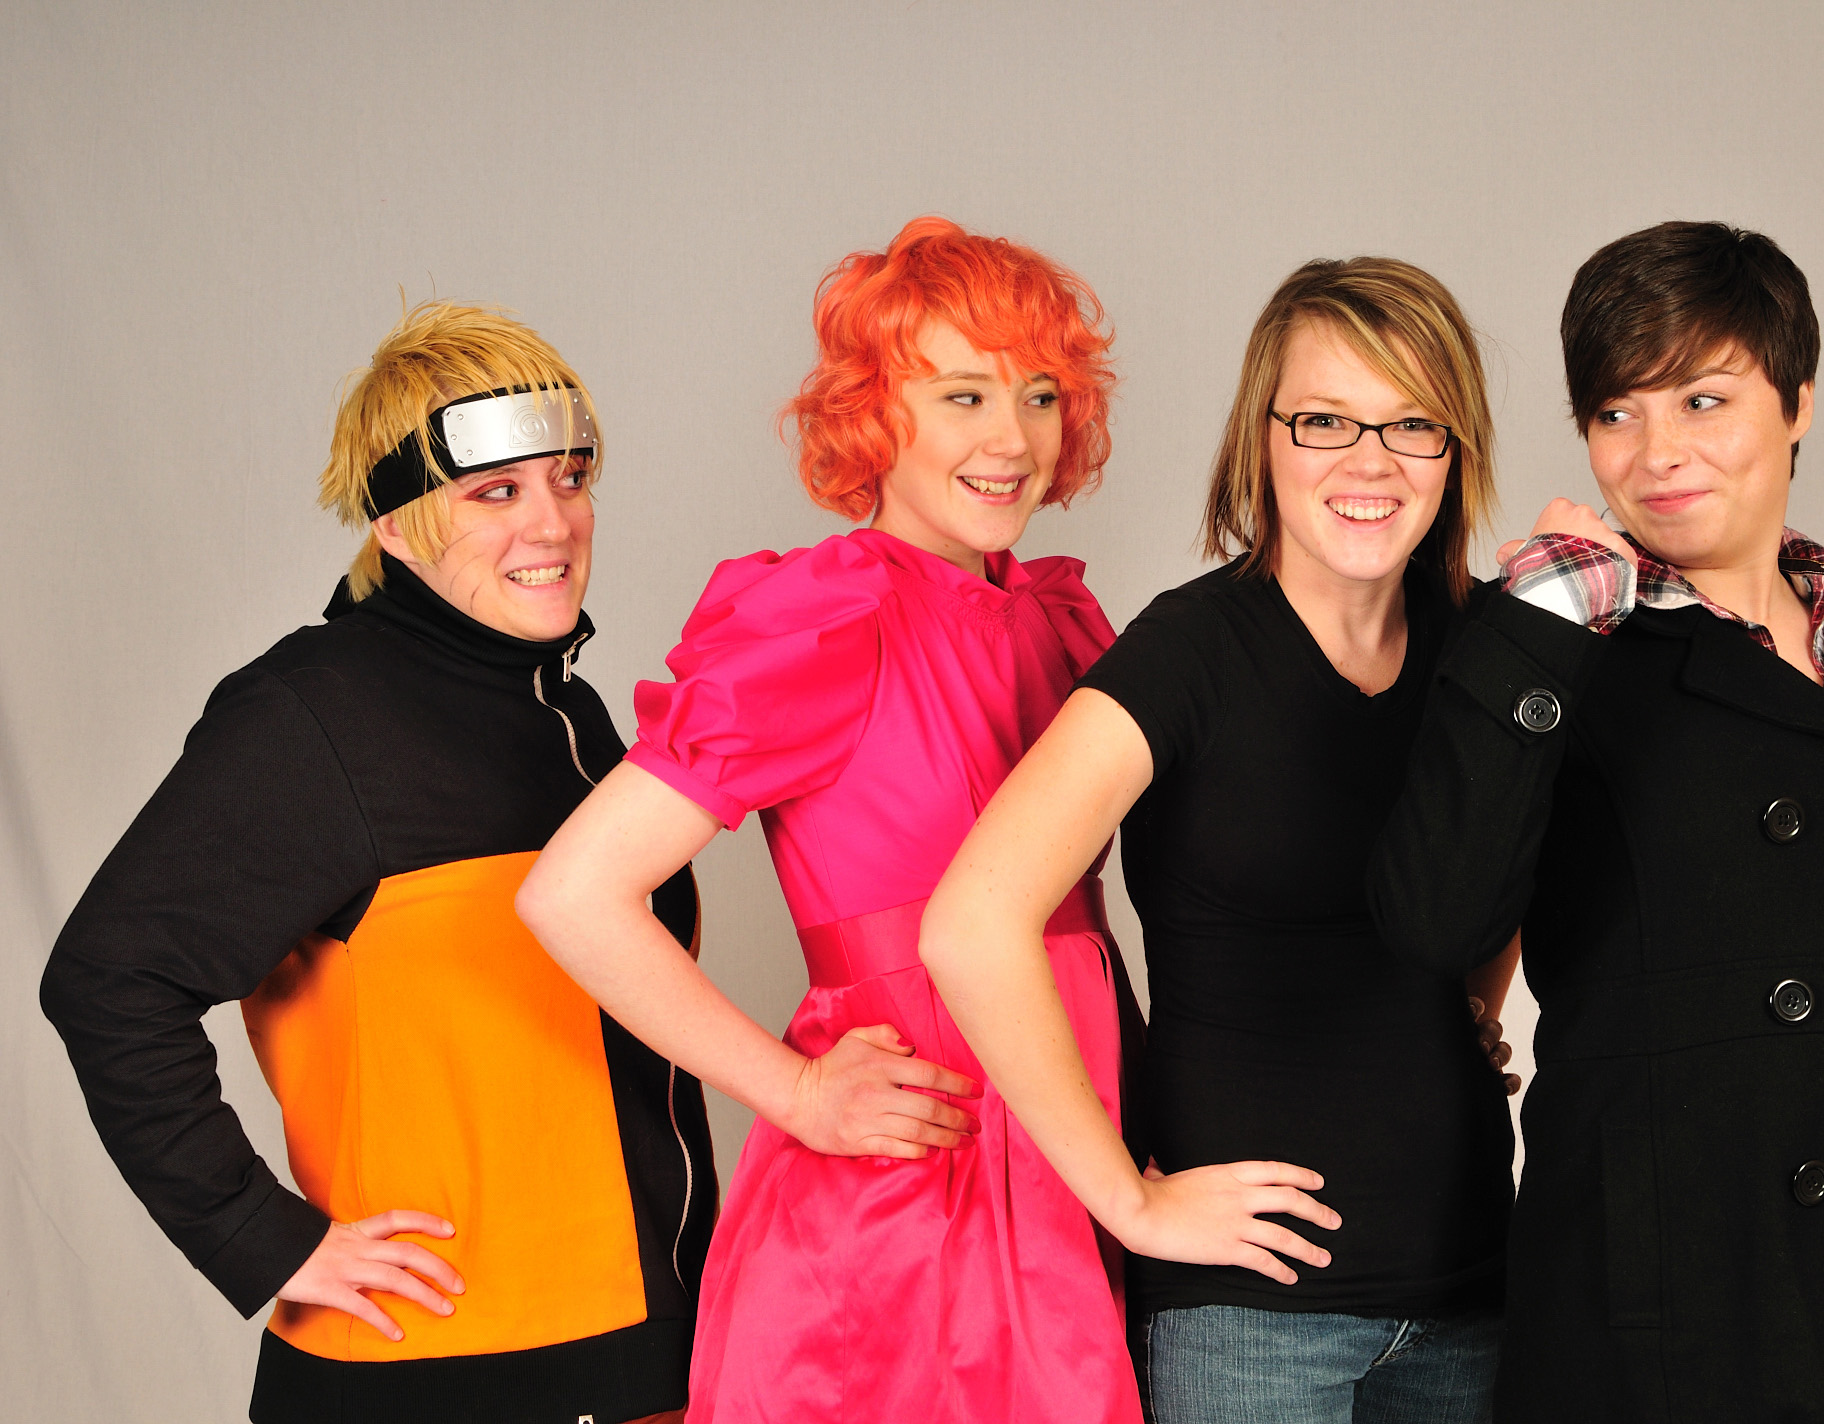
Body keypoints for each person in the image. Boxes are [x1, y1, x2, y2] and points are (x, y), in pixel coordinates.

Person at [520, 217, 1326, 1423]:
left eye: (1039, 395)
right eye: (962, 396)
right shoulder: (826, 618)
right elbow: (573, 893)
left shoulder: (1057, 621)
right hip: (905, 1203)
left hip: (1070, 1160)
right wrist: (797, 1093)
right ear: (871, 414)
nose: (1012, 439)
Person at [1367, 221, 1824, 1421]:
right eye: (1615, 412)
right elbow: (1431, 921)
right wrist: (1540, 616)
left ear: (1795, 401)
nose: (1656, 452)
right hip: (1676, 1311)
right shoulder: (1549, 644)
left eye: (1702, 400)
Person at [40, 302, 722, 1423]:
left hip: (647, 1357)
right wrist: (261, 1237)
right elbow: (108, 977)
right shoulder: (313, 715)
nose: (552, 522)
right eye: (495, 492)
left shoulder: (573, 715)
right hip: (438, 1372)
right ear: (397, 527)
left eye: (570, 478)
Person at [919, 257, 1518, 1424]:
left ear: (1455, 449)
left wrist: (1467, 1005)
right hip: (1247, 1320)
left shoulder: (1490, 647)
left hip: (1470, 1287)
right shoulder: (1187, 651)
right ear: (1263, 436)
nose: (1368, 462)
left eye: (1411, 423)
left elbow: (1506, 857)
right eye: (1324, 420)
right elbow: (970, 923)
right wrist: (1129, 1202)